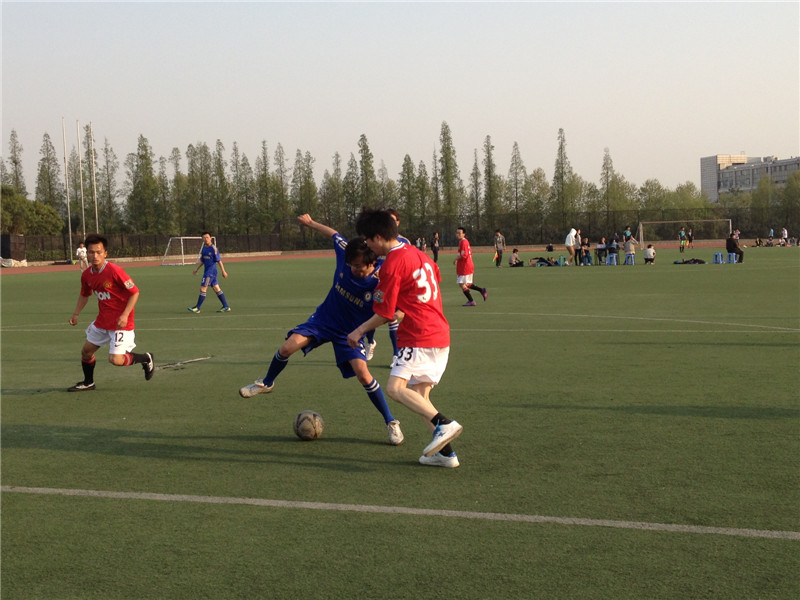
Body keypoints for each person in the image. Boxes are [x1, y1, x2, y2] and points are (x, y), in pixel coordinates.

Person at [238, 214, 404, 446]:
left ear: (372, 262)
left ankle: (391, 422)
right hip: (324, 320)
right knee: (287, 348)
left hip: (350, 332)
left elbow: (397, 308)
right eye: (351, 265)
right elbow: (335, 234)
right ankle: (266, 383)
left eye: (359, 267)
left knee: (363, 375)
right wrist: (311, 223)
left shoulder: (382, 278)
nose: (353, 269)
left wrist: (395, 315)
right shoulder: (346, 255)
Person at [347, 208, 463, 468]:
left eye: (367, 239)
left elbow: (385, 313)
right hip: (439, 334)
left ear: (378, 237)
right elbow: (430, 281)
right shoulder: (418, 254)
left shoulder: (392, 263)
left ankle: (445, 424)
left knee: (395, 389)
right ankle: (446, 455)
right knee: (421, 398)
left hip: (418, 335)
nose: (367, 245)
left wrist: (358, 331)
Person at [67, 233, 154, 391]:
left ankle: (146, 358)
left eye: (98, 252)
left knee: (116, 360)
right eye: (91, 252)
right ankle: (88, 382)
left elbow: (134, 292)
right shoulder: (86, 275)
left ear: (105, 253)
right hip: (102, 321)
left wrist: (125, 315)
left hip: (121, 323)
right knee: (86, 352)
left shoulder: (114, 271)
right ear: (87, 253)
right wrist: (76, 314)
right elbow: (84, 294)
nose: (95, 256)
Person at [188, 232, 230, 313]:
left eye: (207, 237)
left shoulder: (214, 249)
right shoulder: (204, 248)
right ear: (202, 239)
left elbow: (219, 260)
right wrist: (196, 269)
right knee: (216, 288)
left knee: (203, 288)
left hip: (210, 273)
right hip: (208, 271)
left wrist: (223, 271)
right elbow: (202, 260)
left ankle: (197, 308)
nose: (206, 239)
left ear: (210, 238)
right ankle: (226, 306)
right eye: (204, 237)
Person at [455, 227, 487, 306]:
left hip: (465, 266)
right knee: (467, 283)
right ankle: (481, 290)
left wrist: (456, 259)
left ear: (464, 234)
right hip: (467, 265)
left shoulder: (463, 242)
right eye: (457, 233)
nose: (457, 234)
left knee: (461, 283)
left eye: (459, 233)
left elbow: (464, 255)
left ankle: (471, 301)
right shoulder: (463, 242)